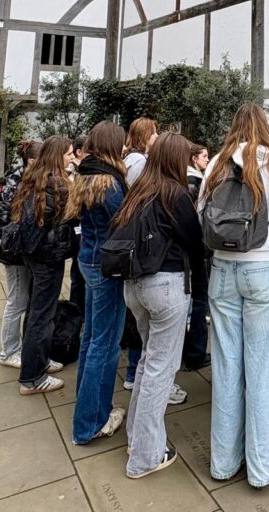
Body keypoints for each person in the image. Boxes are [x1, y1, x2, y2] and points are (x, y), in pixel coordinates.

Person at [198, 104, 269, 489]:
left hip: (223, 269)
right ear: (264, 126)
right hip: (264, 266)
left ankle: (223, 462)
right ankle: (262, 467)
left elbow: (201, 213)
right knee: (264, 368)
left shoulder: (217, 162)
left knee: (226, 366)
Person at [112, 132, 207, 478]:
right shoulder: (175, 194)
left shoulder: (137, 190)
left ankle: (137, 438)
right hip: (165, 286)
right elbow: (195, 243)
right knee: (161, 370)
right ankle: (145, 457)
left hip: (135, 286)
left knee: (148, 361)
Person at [67, 121, 130, 444]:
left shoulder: (84, 174)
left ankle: (87, 403)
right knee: (105, 344)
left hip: (88, 259)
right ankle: (91, 422)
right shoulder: (111, 183)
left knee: (91, 337)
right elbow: (125, 222)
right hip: (108, 266)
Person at [10, 136, 75, 394]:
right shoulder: (58, 183)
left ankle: (37, 359)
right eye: (69, 154)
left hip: (33, 254)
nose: (72, 157)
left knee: (36, 310)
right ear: (58, 156)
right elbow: (68, 216)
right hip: (48, 257)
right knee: (43, 315)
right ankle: (32, 378)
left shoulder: (35, 177)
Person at [0, 140, 42, 369]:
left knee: (24, 299)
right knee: (16, 301)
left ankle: (19, 347)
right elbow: (1, 224)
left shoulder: (28, 180)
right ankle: (9, 351)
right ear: (32, 160)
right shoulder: (15, 182)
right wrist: (21, 239)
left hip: (26, 253)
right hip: (14, 255)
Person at [121, 118, 159, 389]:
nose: (157, 137)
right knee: (141, 320)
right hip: (138, 243)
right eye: (154, 133)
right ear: (146, 136)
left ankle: (136, 371)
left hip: (131, 243)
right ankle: (136, 373)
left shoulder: (132, 161)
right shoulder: (139, 164)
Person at [182, 141, 211, 372]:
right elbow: (197, 216)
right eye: (204, 156)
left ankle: (187, 350)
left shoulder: (180, 177)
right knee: (199, 300)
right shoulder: (195, 181)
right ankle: (196, 352)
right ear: (193, 159)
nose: (207, 160)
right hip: (195, 248)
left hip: (181, 251)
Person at [67, 136, 88, 314]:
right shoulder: (72, 172)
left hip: (81, 229)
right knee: (78, 275)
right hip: (76, 228)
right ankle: (75, 313)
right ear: (79, 152)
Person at [124, 118, 158, 186]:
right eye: (153, 133)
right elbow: (131, 188)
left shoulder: (137, 157)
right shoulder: (139, 160)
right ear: (144, 135)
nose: (157, 136)